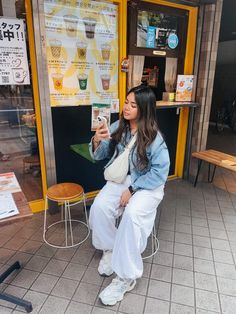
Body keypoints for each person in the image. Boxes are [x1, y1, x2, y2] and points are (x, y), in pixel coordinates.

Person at [89, 84, 170, 306]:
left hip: (148, 186)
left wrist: (133, 190)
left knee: (132, 216)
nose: (126, 107)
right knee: (99, 207)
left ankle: (127, 277)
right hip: (122, 180)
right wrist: (97, 140)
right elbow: (102, 154)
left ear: (144, 109)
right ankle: (110, 247)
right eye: (126, 102)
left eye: (133, 105)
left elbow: (160, 172)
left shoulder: (154, 137)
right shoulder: (118, 127)